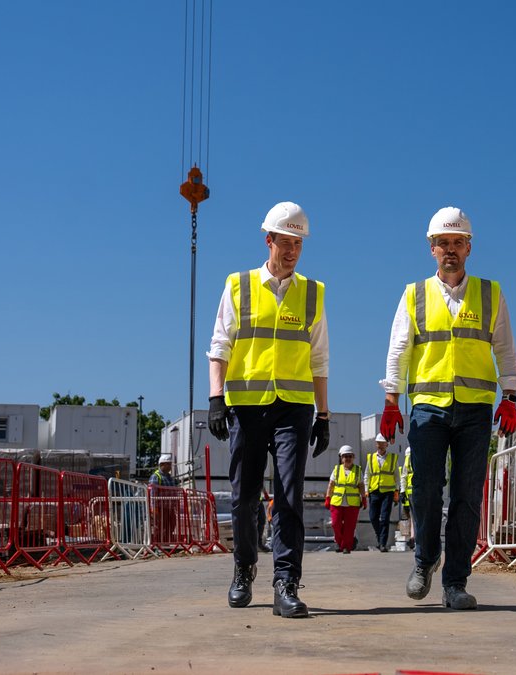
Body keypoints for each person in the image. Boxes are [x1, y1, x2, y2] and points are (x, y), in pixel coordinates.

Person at [379, 206, 516, 611]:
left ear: (469, 248)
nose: (450, 250)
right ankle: (425, 561)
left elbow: (506, 349)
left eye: (458, 243)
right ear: (432, 249)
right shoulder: (414, 294)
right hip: (428, 408)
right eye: (443, 243)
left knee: (466, 495)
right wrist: (391, 401)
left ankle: (455, 582)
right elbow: (397, 352)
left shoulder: (490, 293)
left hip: (475, 409)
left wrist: (509, 396)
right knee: (424, 490)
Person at [206, 201, 330, 619]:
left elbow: (320, 359)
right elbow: (219, 345)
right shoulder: (238, 286)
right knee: (243, 498)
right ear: (269, 240)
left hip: (294, 408)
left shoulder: (313, 293)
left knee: (291, 496)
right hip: (246, 407)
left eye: (299, 243)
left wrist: (324, 415)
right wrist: (215, 399)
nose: (292, 250)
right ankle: (244, 568)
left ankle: (285, 582)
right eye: (286, 242)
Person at [324, 445, 364, 554]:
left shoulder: (357, 470)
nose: (347, 458)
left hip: (352, 503)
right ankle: (339, 541)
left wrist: (363, 498)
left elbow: (361, 485)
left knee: (349, 526)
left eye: (350, 456)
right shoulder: (336, 470)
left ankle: (346, 546)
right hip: (337, 502)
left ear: (353, 457)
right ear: (341, 458)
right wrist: (328, 497)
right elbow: (331, 485)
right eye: (345, 456)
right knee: (335, 524)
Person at [364, 433, 400, 552]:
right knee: (373, 517)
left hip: (388, 492)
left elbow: (396, 476)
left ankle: (383, 544)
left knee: (385, 518)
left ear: (386, 444)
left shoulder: (393, 458)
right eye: (378, 443)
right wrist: (366, 489)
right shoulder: (370, 458)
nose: (380, 445)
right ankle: (380, 538)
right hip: (374, 491)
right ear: (376, 444)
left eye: (382, 443)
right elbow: (367, 475)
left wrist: (397, 491)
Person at [148, 454, 180, 547]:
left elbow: (175, 491)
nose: (170, 467)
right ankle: (158, 544)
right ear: (162, 464)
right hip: (161, 508)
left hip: (169, 508)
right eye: (168, 464)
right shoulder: (156, 476)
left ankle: (166, 543)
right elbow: (152, 494)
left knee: (171, 525)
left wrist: (176, 504)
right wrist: (154, 508)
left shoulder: (170, 477)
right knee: (160, 527)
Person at [401, 446, 415, 549]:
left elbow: (404, 477)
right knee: (414, 517)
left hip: (411, 492)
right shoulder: (409, 460)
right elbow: (404, 477)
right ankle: (413, 538)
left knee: (414, 517)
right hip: (411, 493)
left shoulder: (408, 460)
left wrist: (402, 491)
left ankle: (413, 538)